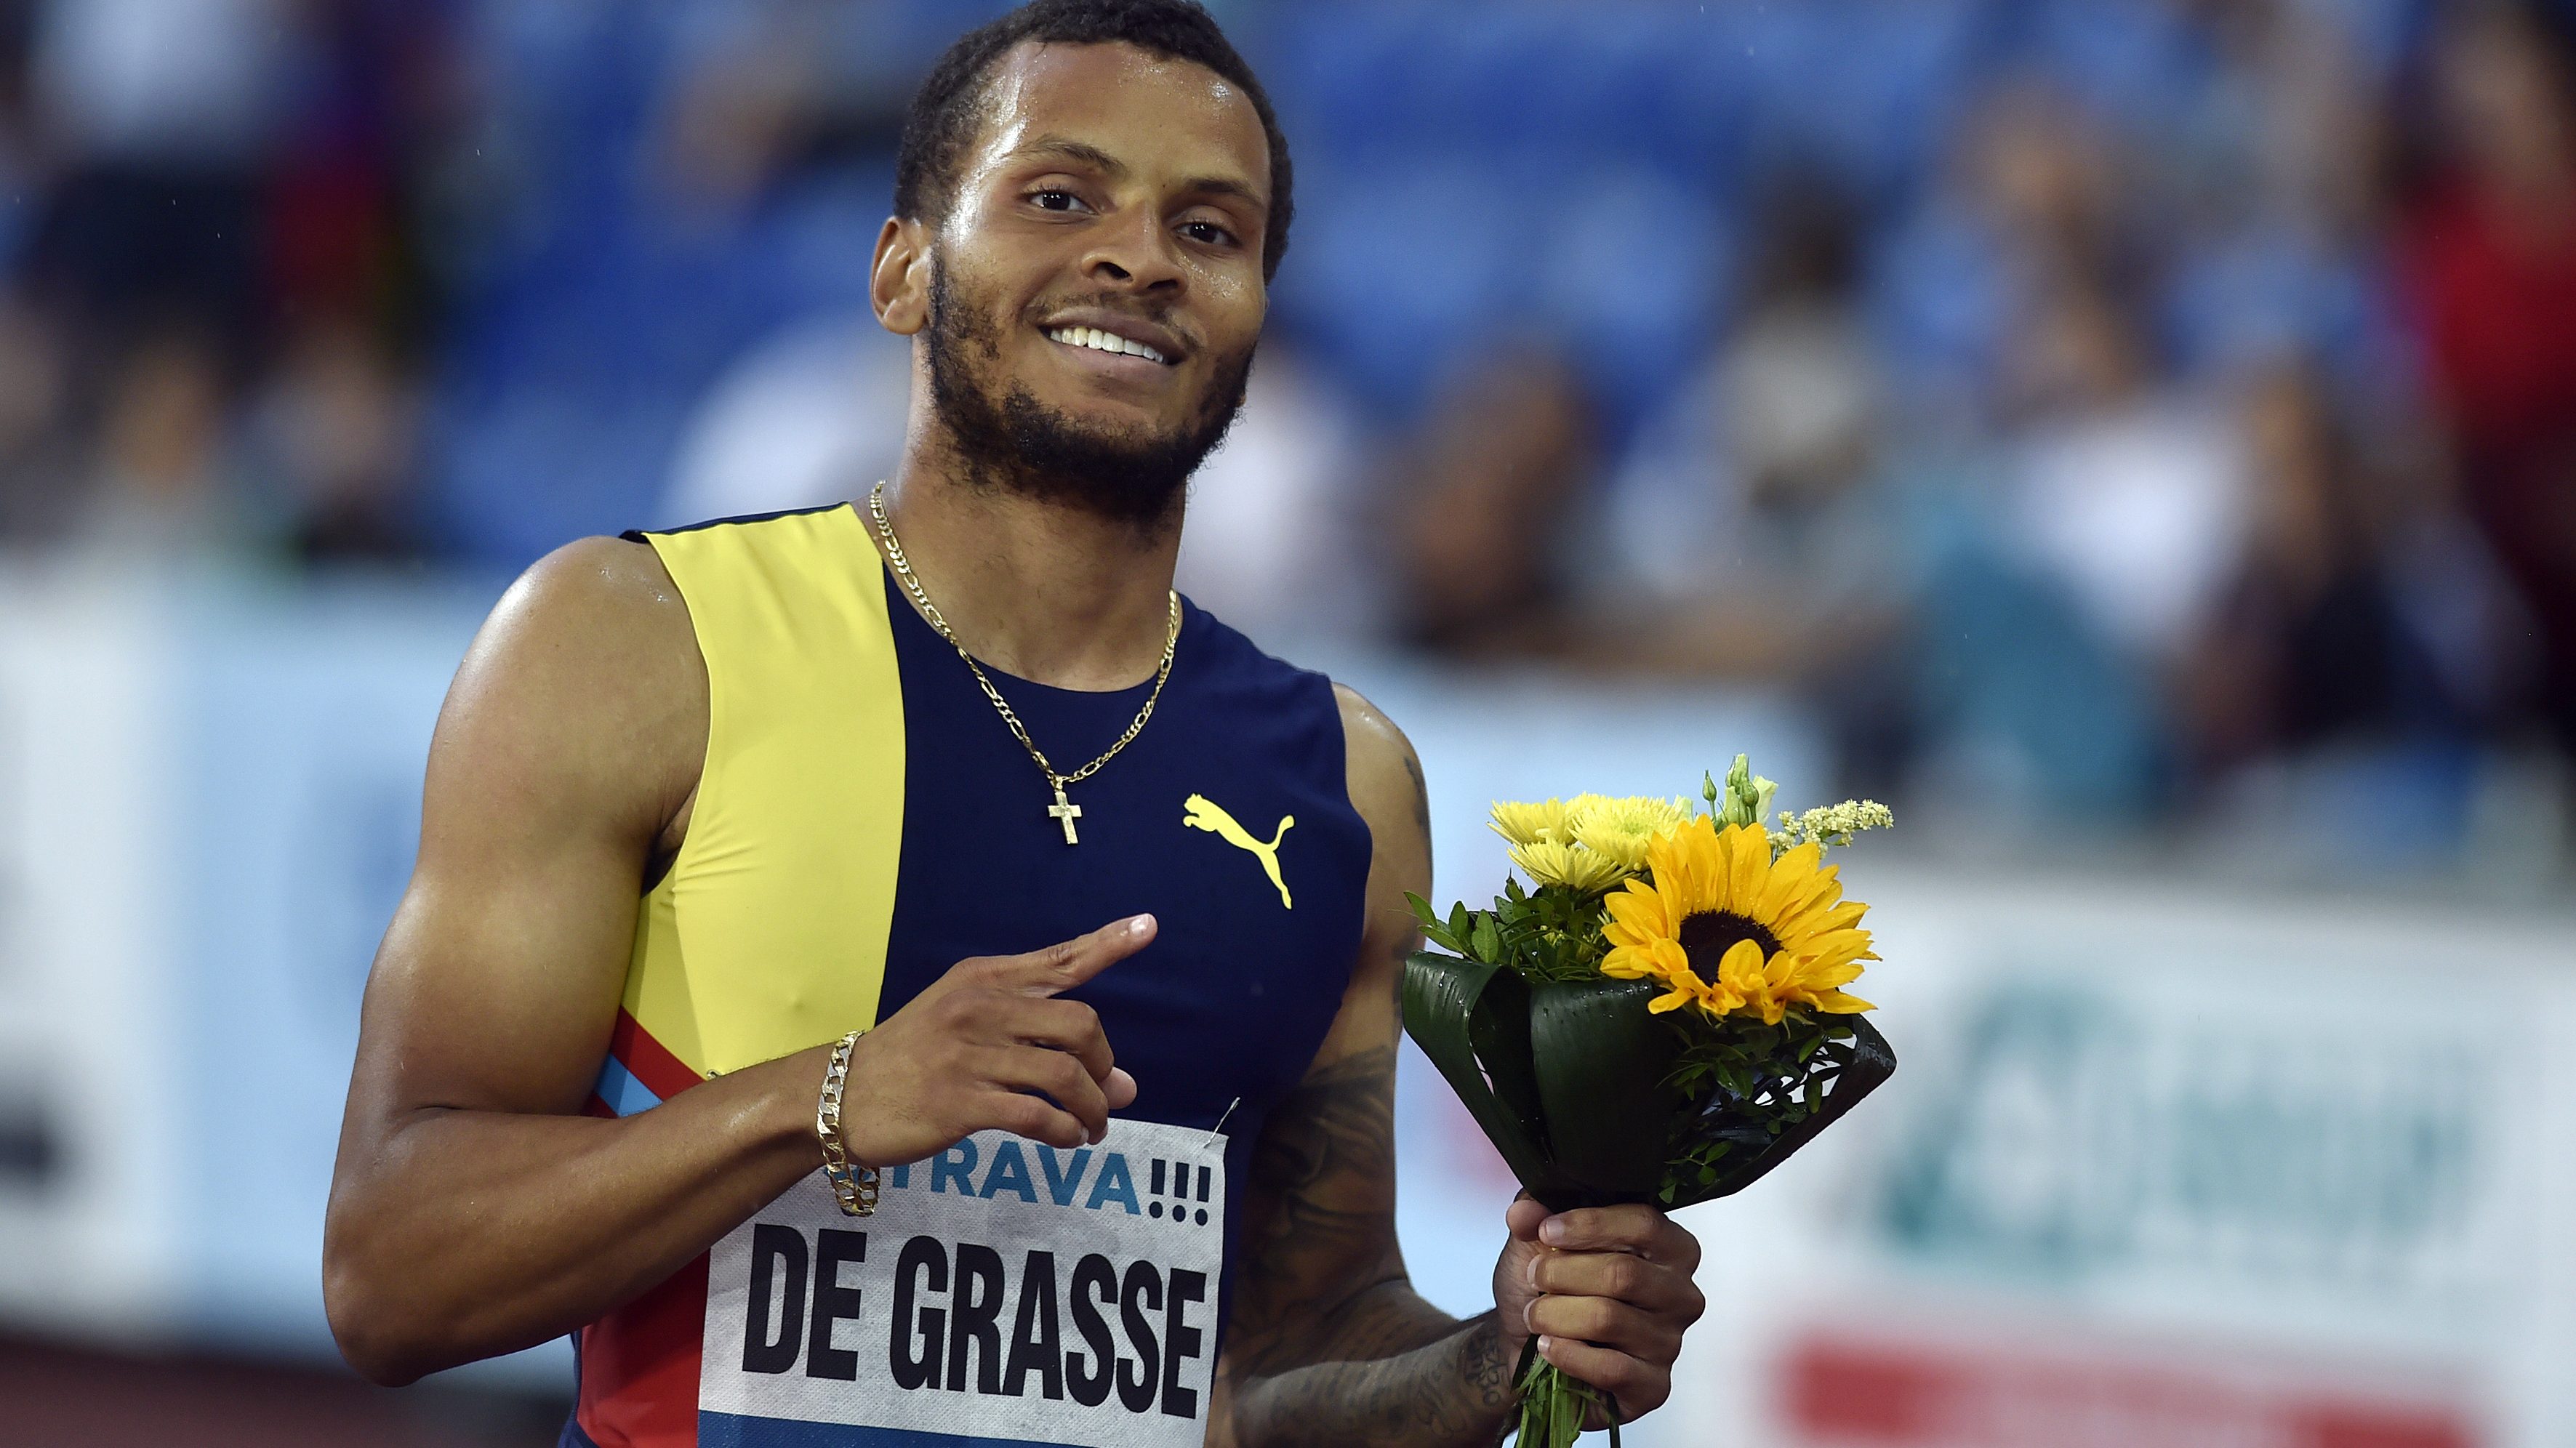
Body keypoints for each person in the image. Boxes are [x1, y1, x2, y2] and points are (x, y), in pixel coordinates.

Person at [321, 4, 1706, 1447]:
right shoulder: (635, 645)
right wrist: (832, 1097)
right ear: (900, 268)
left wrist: (1509, 1353)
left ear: (1255, 322)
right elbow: (389, 1277)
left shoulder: (1340, 784)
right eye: (1059, 195)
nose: (1141, 256)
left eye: (1212, 231)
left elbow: (1294, 1353)